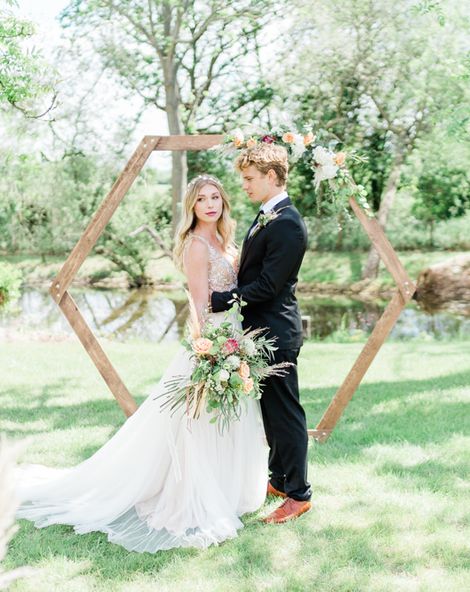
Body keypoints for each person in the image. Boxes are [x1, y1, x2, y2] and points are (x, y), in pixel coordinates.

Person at [15, 175, 268, 552]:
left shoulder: (226, 242)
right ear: (192, 207)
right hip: (211, 342)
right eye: (202, 199)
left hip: (234, 338)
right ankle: (191, 493)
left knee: (226, 417)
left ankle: (228, 489)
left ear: (223, 202)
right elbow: (199, 305)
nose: (210, 205)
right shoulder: (196, 245)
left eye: (215, 197)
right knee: (196, 422)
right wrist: (208, 351)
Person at [211, 143, 312, 524]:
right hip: (259, 331)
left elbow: (269, 285)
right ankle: (280, 480)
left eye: (250, 178)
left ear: (272, 176)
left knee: (286, 413)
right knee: (271, 412)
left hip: (277, 332)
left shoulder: (288, 223)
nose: (245, 185)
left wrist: (223, 299)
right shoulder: (269, 214)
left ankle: (299, 494)